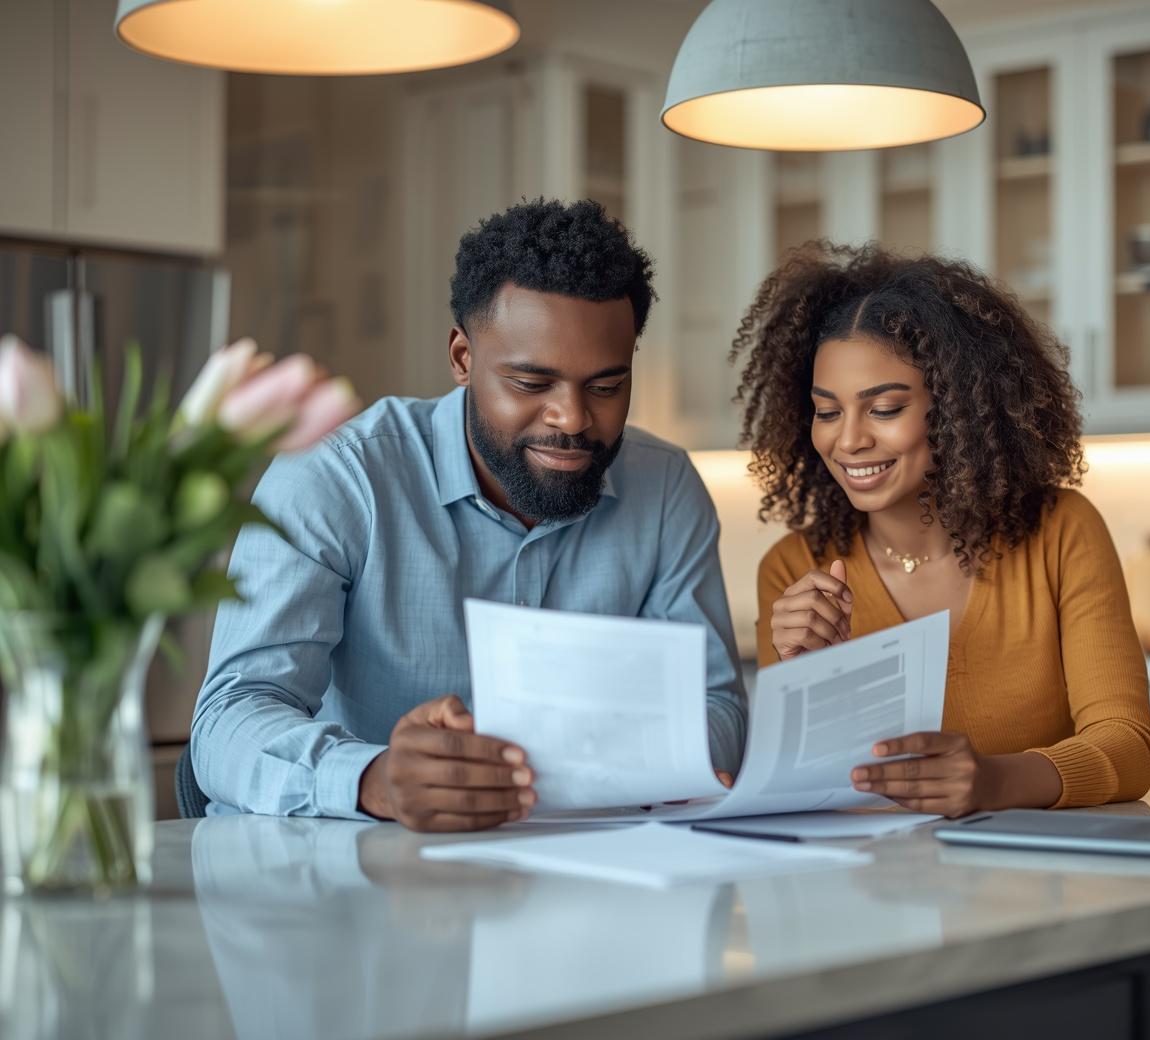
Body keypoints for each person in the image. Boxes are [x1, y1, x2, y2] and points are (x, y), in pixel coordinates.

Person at [193, 199, 746, 831]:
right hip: (365, 883)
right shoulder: (338, 479)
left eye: (605, 386)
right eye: (532, 384)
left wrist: (675, 760)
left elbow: (716, 702)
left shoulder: (668, 487)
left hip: (592, 877)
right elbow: (229, 718)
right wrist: (374, 780)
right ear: (462, 358)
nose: (571, 418)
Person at [735, 242, 1150, 817]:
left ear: (957, 406)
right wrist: (804, 674)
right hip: (871, 890)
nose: (848, 440)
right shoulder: (793, 568)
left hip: (1044, 884)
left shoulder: (1061, 533)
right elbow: (794, 789)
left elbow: (1127, 747)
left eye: (883, 408)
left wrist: (993, 783)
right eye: (827, 412)